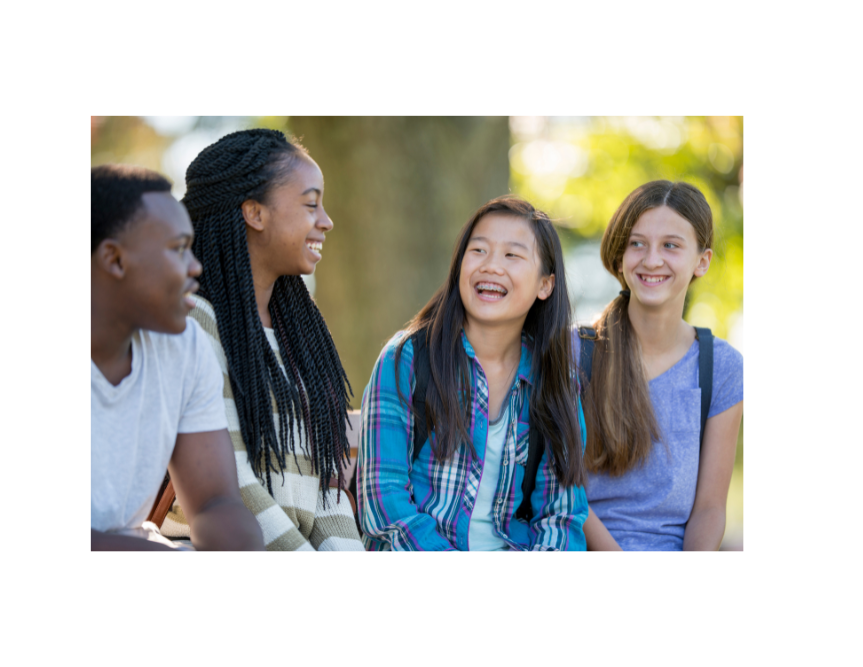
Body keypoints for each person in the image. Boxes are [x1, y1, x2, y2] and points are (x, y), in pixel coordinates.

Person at [158, 129, 363, 551]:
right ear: (254, 212)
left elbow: (325, 496)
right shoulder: (195, 323)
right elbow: (231, 484)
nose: (326, 220)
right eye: (310, 204)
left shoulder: (299, 338)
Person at [358, 196, 589, 550]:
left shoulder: (557, 382)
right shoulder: (406, 359)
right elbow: (383, 500)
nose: (491, 266)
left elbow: (560, 516)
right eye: (478, 250)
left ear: (546, 285)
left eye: (512, 255)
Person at [91, 164, 264, 551]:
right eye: (178, 249)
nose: (195, 267)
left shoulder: (185, 346)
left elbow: (214, 502)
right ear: (115, 260)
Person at [579, 180, 744, 551]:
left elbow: (710, 510)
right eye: (637, 243)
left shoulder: (722, 368)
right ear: (621, 256)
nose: (652, 259)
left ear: (702, 261)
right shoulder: (575, 354)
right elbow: (564, 491)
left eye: (670, 245)